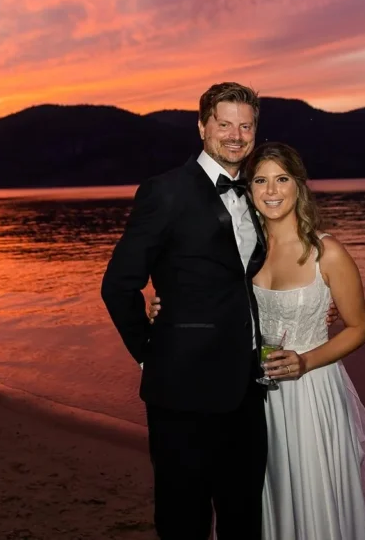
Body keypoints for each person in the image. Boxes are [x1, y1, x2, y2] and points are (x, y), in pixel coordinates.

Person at [148, 141, 365, 540]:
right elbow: (205, 296)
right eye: (261, 181)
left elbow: (359, 328)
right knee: (257, 502)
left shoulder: (328, 252)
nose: (272, 191)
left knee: (311, 497)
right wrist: (162, 306)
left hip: (310, 394)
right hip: (252, 399)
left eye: (282, 179)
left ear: (299, 186)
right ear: (248, 189)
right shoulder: (245, 252)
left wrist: (306, 361)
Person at [101, 82, 269, 539]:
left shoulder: (259, 194)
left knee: (244, 517)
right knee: (183, 518)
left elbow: (254, 278)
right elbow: (118, 285)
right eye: (224, 124)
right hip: (182, 390)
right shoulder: (165, 192)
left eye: (246, 125)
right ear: (202, 127)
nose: (235, 135)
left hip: (248, 389)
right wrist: (148, 353)